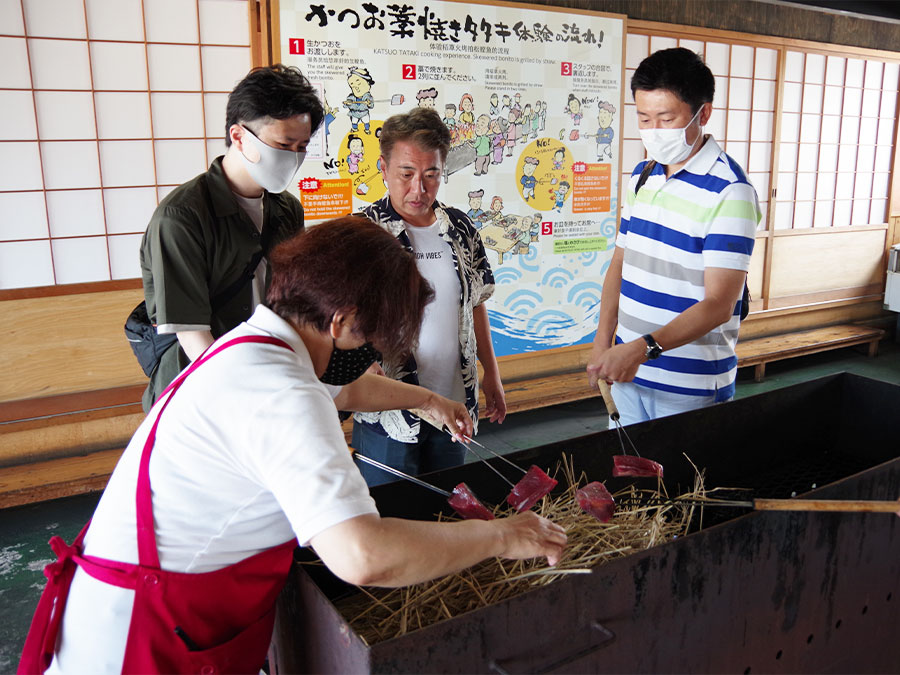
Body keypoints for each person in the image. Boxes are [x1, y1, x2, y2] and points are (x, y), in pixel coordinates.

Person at [20, 218, 567, 674]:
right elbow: (362, 556)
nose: (366, 347)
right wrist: (499, 535)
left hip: (138, 604)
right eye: (366, 336)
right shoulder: (281, 392)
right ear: (340, 320)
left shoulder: (253, 341)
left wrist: (426, 399)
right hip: (140, 638)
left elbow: (345, 387)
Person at [586, 47, 760, 425]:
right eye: (644, 118)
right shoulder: (642, 175)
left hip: (690, 384)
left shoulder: (730, 191)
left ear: (703, 112)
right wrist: (605, 340)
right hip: (627, 373)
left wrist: (641, 348)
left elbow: (719, 303)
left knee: (683, 485)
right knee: (629, 482)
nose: (653, 131)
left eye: (666, 118)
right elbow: (621, 262)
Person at [138, 64, 322, 411]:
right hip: (199, 387)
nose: (294, 157)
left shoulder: (288, 210)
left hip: (267, 375)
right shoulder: (181, 217)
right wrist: (238, 397)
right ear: (239, 137)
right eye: (284, 144)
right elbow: (191, 332)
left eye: (302, 146)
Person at [353, 108, 507, 486]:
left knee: (448, 508)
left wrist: (492, 374)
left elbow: (476, 304)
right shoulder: (363, 232)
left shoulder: (460, 228)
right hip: (388, 410)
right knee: (391, 517)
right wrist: (360, 365)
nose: (418, 190)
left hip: (454, 399)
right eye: (406, 174)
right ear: (384, 168)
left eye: (431, 175)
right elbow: (340, 319)